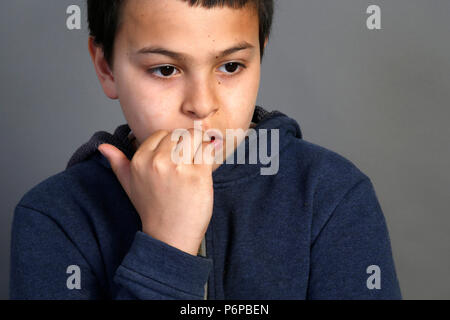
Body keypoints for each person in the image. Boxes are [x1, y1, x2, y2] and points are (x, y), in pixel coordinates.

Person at [10, 0, 401, 299]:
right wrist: (167, 247)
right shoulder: (53, 215)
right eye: (166, 69)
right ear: (106, 67)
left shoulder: (331, 195)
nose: (202, 104)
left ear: (260, 55)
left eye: (230, 66)